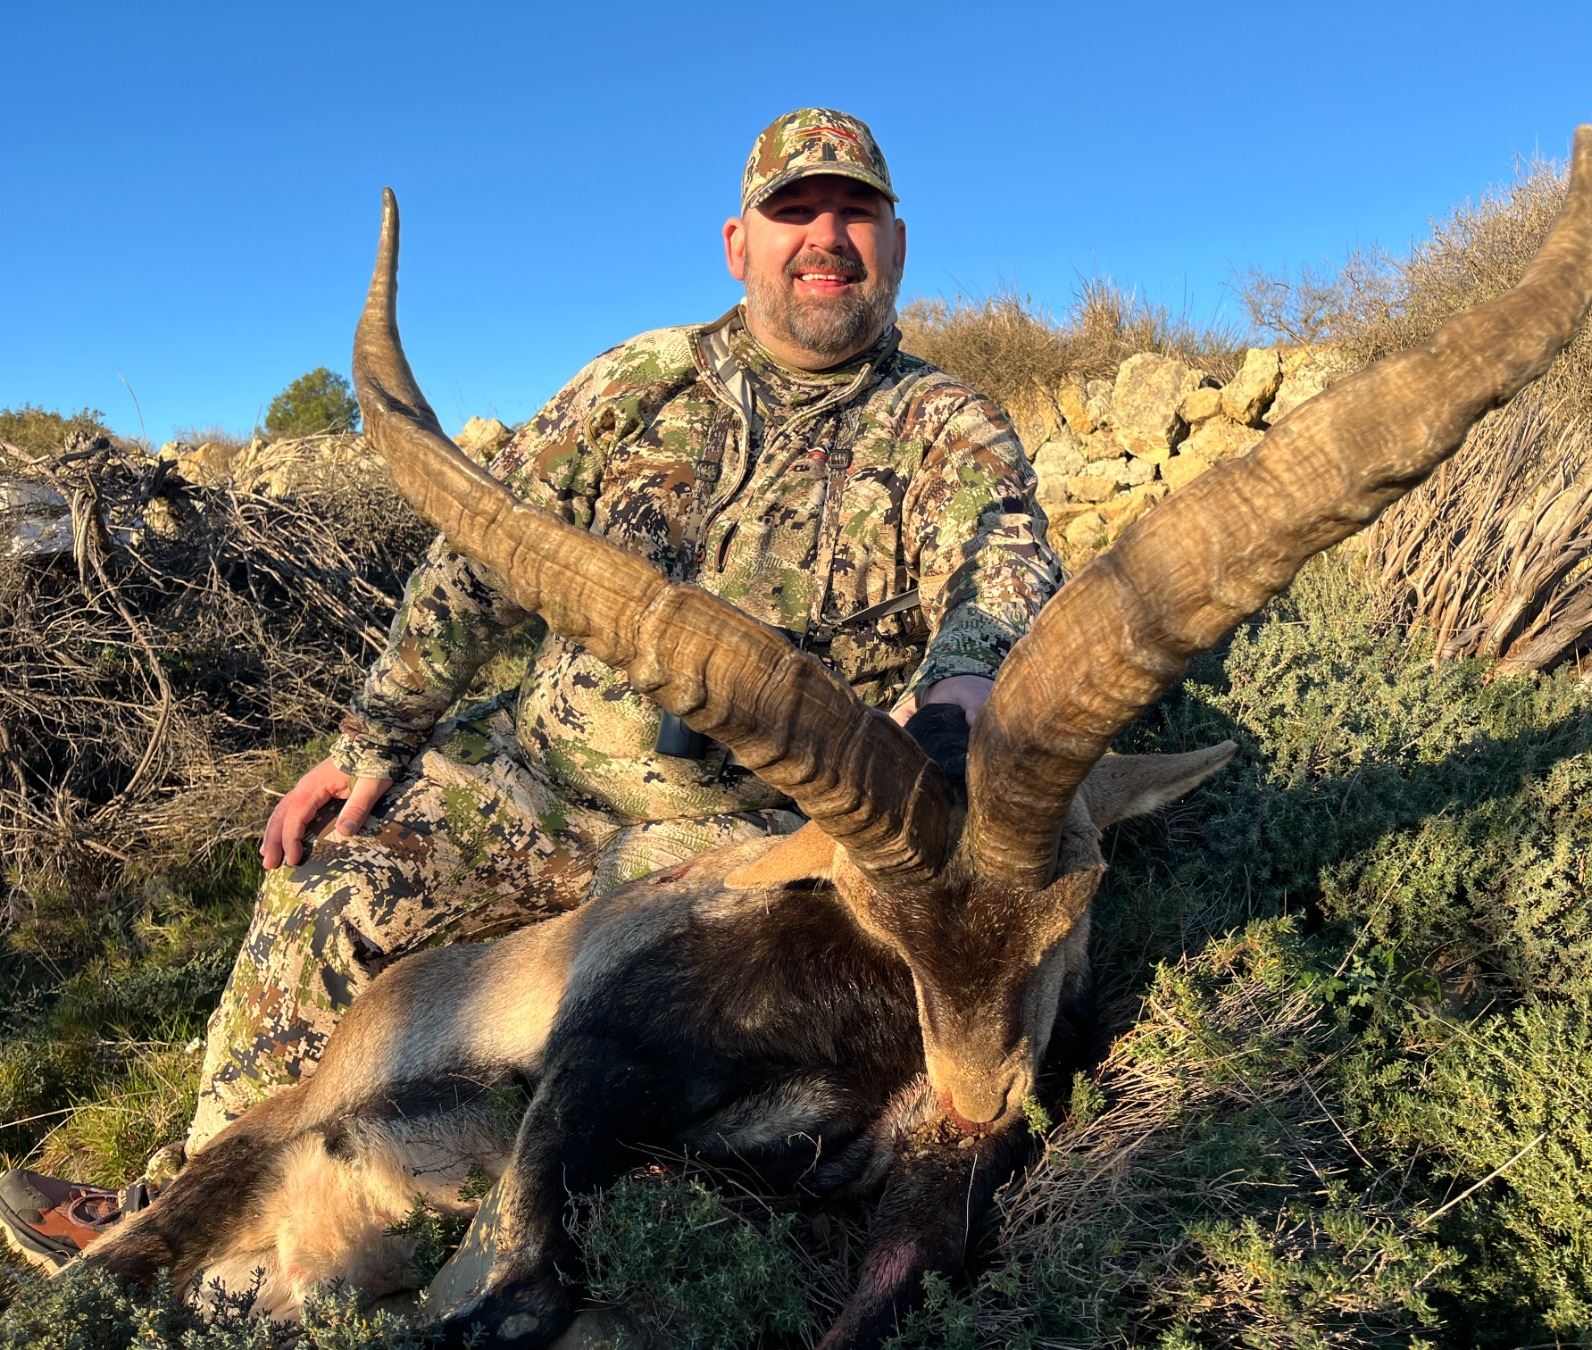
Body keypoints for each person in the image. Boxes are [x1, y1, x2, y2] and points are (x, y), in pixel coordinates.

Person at [0, 107, 1062, 1269]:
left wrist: (957, 705)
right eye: (793, 211)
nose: (826, 237)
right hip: (531, 782)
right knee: (320, 899)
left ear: (896, 243)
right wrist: (371, 740)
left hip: (737, 842)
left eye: (854, 213)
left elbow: (999, 589)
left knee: (650, 1047)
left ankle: (466, 1234)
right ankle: (182, 1205)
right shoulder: (636, 385)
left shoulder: (949, 427)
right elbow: (476, 560)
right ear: (738, 243)